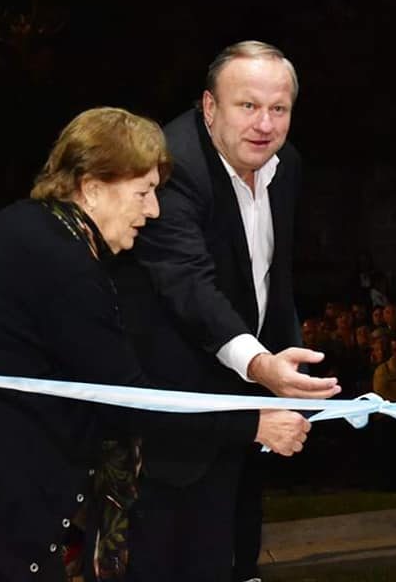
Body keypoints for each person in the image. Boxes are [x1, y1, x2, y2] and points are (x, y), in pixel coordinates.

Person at [0, 108, 314, 582]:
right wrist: (254, 425)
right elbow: (130, 402)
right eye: (143, 192)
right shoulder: (63, 265)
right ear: (92, 187)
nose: (153, 210)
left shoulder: (28, 232)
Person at [115, 41, 339, 582]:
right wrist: (261, 365)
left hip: (243, 409)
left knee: (236, 556)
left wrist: (290, 374)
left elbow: (273, 280)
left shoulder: (287, 167)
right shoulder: (171, 165)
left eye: (278, 109)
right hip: (169, 416)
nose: (265, 124)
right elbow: (188, 287)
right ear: (209, 107)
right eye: (248, 106)